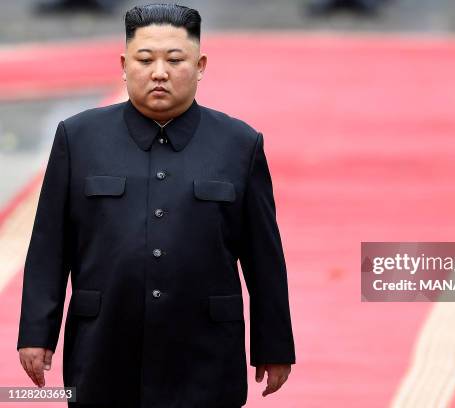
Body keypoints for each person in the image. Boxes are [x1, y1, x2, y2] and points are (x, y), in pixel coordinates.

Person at [17, 4, 296, 407]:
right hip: (103, 343)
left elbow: (263, 256)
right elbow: (49, 247)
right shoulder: (79, 139)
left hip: (205, 350)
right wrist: (36, 335)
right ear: (124, 64)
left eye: (175, 59)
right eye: (145, 59)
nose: (159, 72)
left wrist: (274, 344)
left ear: (200, 66)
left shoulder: (239, 144)